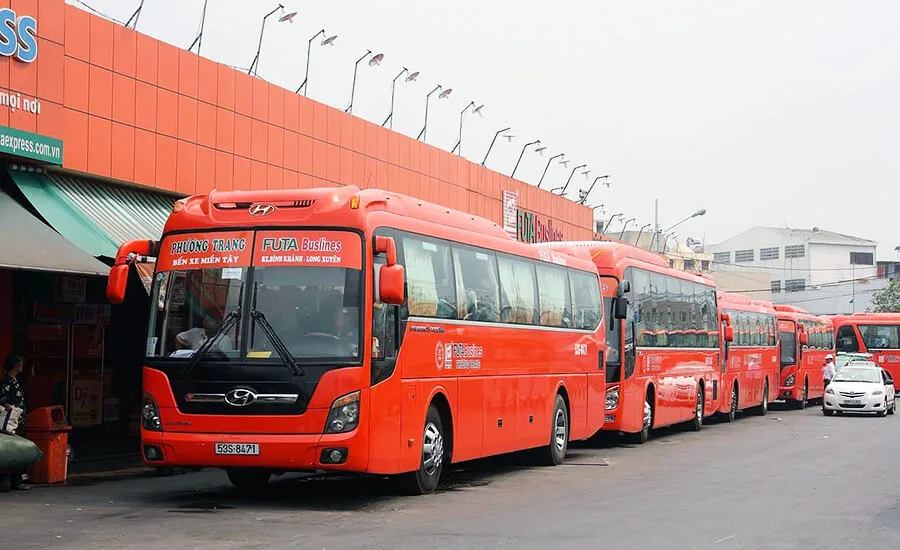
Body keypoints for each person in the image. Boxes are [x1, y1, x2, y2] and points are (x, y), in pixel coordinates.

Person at [0, 353, 30, 490]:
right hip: (9, 424)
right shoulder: (7, 382)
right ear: (17, 365)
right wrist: (9, 408)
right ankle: (16, 480)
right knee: (15, 450)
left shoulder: (14, 381)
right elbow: (2, 400)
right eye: (20, 363)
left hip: (16, 422)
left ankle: (17, 480)